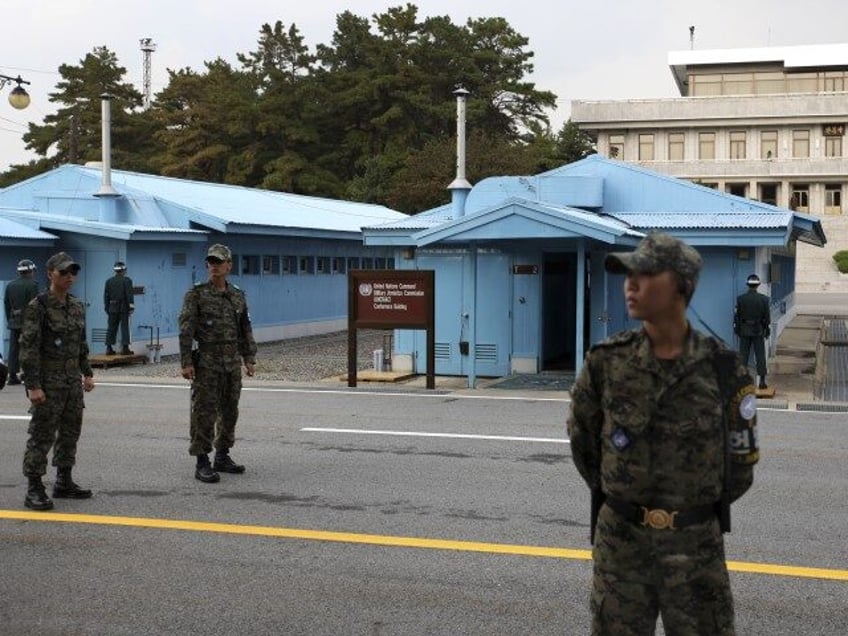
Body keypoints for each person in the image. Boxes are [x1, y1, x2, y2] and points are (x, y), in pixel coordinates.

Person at [567, 232, 759, 635]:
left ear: (681, 286)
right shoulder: (606, 363)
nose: (630, 285)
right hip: (621, 544)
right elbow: (584, 445)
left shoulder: (725, 369)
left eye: (645, 273)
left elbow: (739, 466)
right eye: (627, 275)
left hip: (695, 547)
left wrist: (688, 510)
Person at [20, 252, 95, 511]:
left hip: (71, 381)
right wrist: (33, 386)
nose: (69, 276)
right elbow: (28, 348)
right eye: (64, 272)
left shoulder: (76, 306)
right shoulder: (38, 306)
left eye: (73, 272)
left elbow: (80, 343)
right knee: (41, 435)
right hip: (48, 382)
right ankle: (34, 487)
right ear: (50, 273)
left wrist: (87, 372)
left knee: (70, 433)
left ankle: (64, 480)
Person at [179, 244, 257, 483]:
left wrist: (249, 357)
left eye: (219, 262)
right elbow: (186, 330)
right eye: (211, 262)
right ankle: (202, 461)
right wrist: (186, 362)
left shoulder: (236, 294)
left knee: (229, 411)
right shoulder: (197, 294)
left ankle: (222, 455)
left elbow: (245, 328)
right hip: (207, 363)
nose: (214, 266)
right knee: (204, 412)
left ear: (229, 266)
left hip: (231, 363)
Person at [4, 259, 39, 385]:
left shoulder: (10, 285)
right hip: (29, 323)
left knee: (14, 349)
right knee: (30, 349)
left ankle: (12, 375)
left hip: (14, 322)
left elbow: (7, 305)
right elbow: (35, 306)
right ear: (30, 271)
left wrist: (11, 320)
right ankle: (27, 373)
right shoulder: (33, 285)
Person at [734, 273, 771, 390]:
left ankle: (742, 382)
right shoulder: (764, 299)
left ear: (747, 285)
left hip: (744, 330)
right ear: (758, 285)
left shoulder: (740, 299)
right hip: (758, 330)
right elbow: (767, 318)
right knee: (760, 355)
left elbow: (737, 317)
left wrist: (737, 329)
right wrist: (766, 329)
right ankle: (762, 382)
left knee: (743, 356)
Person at [104, 261, 135, 355]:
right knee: (124, 327)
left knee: (111, 328)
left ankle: (109, 348)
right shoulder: (127, 280)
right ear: (124, 270)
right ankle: (125, 348)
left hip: (112, 307)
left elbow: (106, 296)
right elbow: (129, 295)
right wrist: (131, 307)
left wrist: (107, 308)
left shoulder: (109, 281)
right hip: (123, 307)